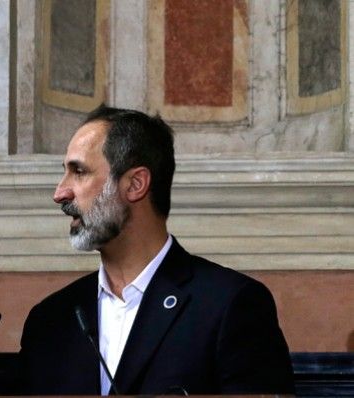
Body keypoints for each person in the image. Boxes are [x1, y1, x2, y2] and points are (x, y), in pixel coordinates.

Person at [19, 105, 295, 395]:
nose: (60, 193)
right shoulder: (49, 320)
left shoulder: (230, 305)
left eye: (79, 172)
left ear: (136, 184)